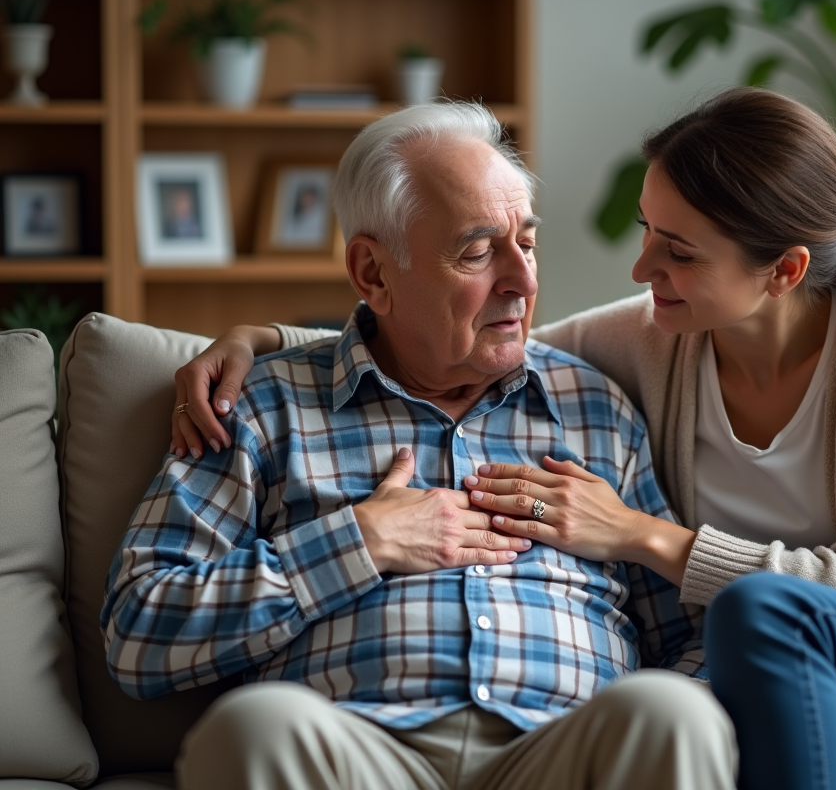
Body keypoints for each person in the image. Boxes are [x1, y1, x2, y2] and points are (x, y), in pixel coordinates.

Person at [174, 88, 836, 790]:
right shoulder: (654, 335)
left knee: (759, 614)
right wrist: (256, 345)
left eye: (678, 250)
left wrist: (639, 537)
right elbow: (457, 335)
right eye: (648, 232)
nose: (640, 267)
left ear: (783, 270)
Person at [103, 102, 736, 790]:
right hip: (358, 753)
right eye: (476, 252)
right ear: (373, 273)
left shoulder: (594, 406)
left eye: (525, 242)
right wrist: (358, 544)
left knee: (674, 712)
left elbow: (695, 632)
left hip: (562, 754)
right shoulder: (264, 406)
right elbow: (139, 635)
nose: (522, 281)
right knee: (253, 728)